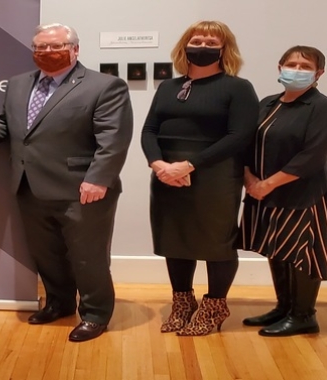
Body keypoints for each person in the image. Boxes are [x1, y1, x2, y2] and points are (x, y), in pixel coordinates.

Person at [0, 23, 133, 342]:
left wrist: (98, 179)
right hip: (28, 185)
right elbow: (5, 122)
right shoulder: (18, 84)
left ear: (75, 49)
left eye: (56, 46)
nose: (47, 53)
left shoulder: (105, 86)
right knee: (46, 253)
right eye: (40, 48)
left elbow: (113, 139)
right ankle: (59, 303)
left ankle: (95, 314)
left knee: (88, 256)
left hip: (83, 189)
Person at [140, 20, 259, 336]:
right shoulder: (168, 86)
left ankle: (214, 305)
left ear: (224, 49)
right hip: (167, 175)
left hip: (215, 175)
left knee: (216, 242)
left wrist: (189, 165)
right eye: (198, 40)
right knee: (174, 240)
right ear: (185, 46)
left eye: (211, 42)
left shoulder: (238, 87)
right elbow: (149, 130)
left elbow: (240, 135)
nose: (203, 46)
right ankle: (182, 303)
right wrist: (158, 165)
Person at [239, 46, 327, 337]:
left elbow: (312, 155)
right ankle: (284, 307)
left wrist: (268, 183)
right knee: (277, 249)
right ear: (279, 68)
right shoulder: (267, 104)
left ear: (319, 73)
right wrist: (250, 178)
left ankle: (303, 315)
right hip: (263, 192)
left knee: (301, 252)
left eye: (305, 66)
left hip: (302, 194)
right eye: (291, 64)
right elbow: (246, 144)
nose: (296, 70)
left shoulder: (320, 107)